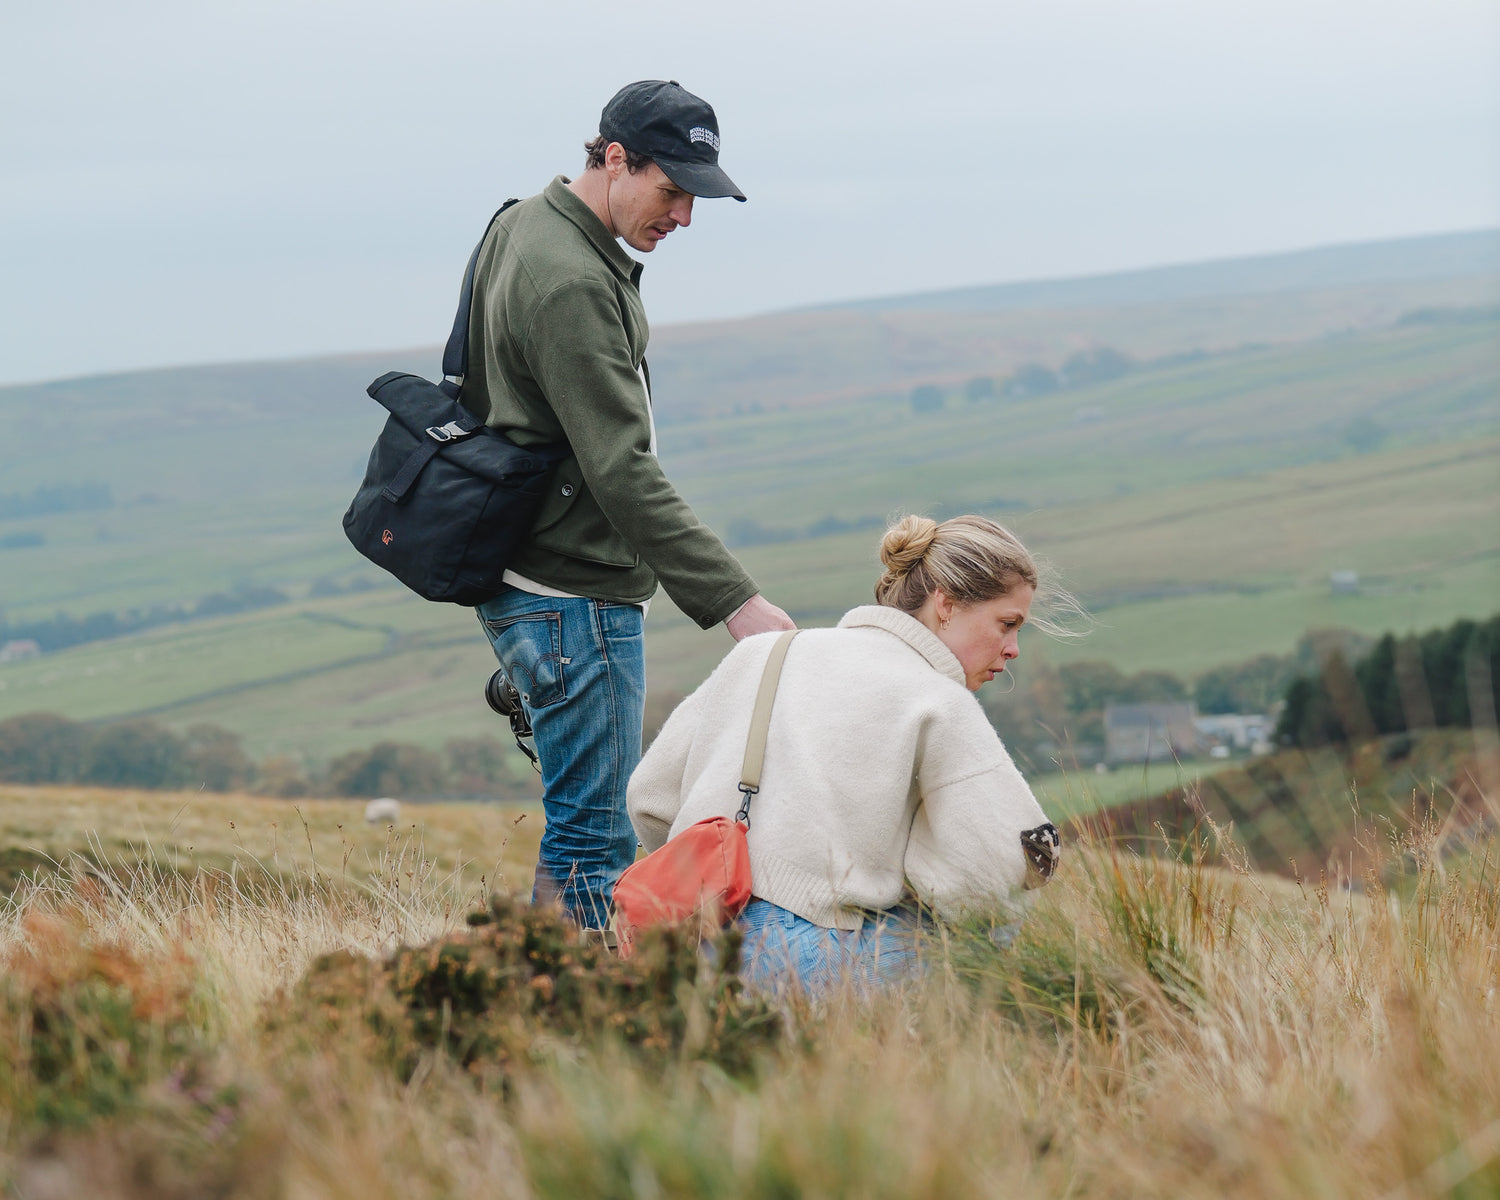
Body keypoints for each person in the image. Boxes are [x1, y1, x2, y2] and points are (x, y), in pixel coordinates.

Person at [462, 81, 795, 926]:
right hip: (572, 596)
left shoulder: (523, 223)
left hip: (527, 574)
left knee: (585, 821)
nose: (682, 215)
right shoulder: (570, 278)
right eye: (672, 189)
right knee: (592, 838)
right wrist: (736, 603)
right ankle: (573, 1014)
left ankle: (541, 991)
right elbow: (621, 468)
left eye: (695, 195)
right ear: (614, 159)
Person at [626, 515, 1067, 995]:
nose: (1013, 649)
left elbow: (648, 797)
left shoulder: (768, 654)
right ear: (946, 603)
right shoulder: (939, 701)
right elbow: (986, 877)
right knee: (1002, 925)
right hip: (815, 962)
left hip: (693, 949)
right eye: (1007, 624)